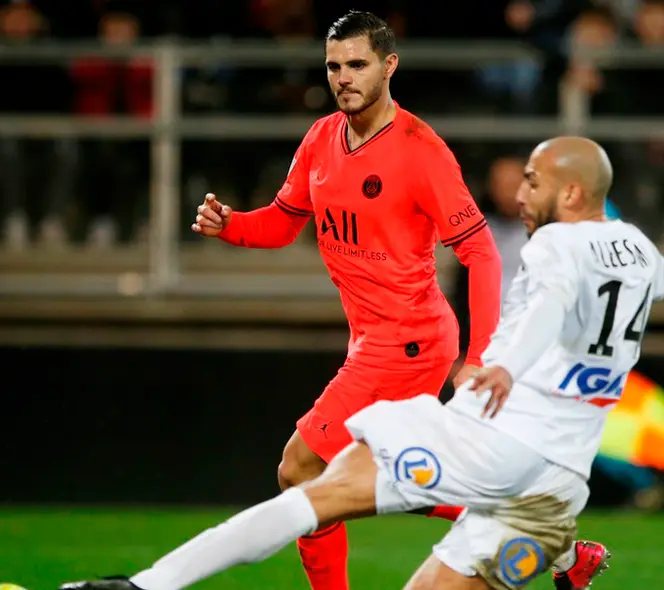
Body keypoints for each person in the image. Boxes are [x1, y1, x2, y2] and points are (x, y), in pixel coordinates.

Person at [58, 136, 662, 590]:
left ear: (573, 193)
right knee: (324, 486)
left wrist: (499, 363)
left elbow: (549, 302)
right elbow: (649, 284)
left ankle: (145, 585)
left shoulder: (551, 242)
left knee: (310, 488)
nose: (521, 194)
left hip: (491, 433)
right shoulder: (642, 252)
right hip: (560, 481)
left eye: (532, 182)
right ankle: (563, 556)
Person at [190, 11, 504, 590]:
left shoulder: (419, 148)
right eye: (334, 66)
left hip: (408, 339)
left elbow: (482, 253)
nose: (343, 77)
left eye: (357, 64)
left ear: (389, 66)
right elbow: (283, 224)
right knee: (369, 475)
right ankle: (526, 529)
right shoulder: (319, 138)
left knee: (302, 469)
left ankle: (517, 526)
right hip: (373, 338)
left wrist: (478, 357)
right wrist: (231, 224)